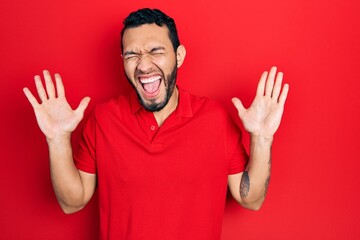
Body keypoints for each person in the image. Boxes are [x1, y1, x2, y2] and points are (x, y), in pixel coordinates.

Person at [23, 8, 289, 240]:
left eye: (155, 51)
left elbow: (250, 199)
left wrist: (262, 139)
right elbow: (72, 203)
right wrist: (57, 140)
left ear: (179, 55)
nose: (144, 65)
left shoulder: (215, 119)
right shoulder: (103, 119)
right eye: (131, 55)